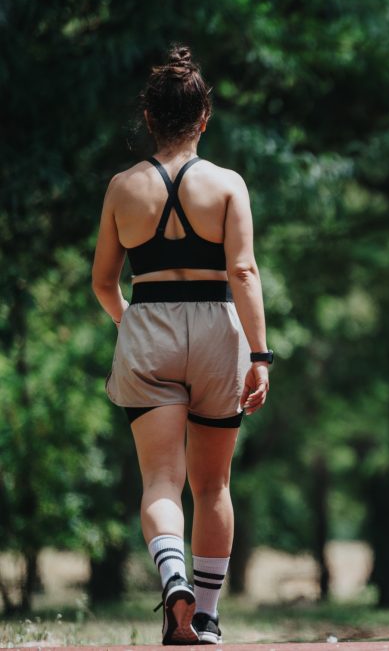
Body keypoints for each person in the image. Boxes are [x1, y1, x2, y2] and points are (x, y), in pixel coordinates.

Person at [92, 45, 272, 645]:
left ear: (149, 119)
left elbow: (102, 281)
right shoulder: (227, 184)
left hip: (148, 324)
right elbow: (243, 272)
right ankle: (211, 615)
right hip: (219, 330)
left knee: (160, 483)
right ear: (204, 118)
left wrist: (132, 326)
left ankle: (173, 580)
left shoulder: (123, 187)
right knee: (212, 485)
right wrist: (261, 355)